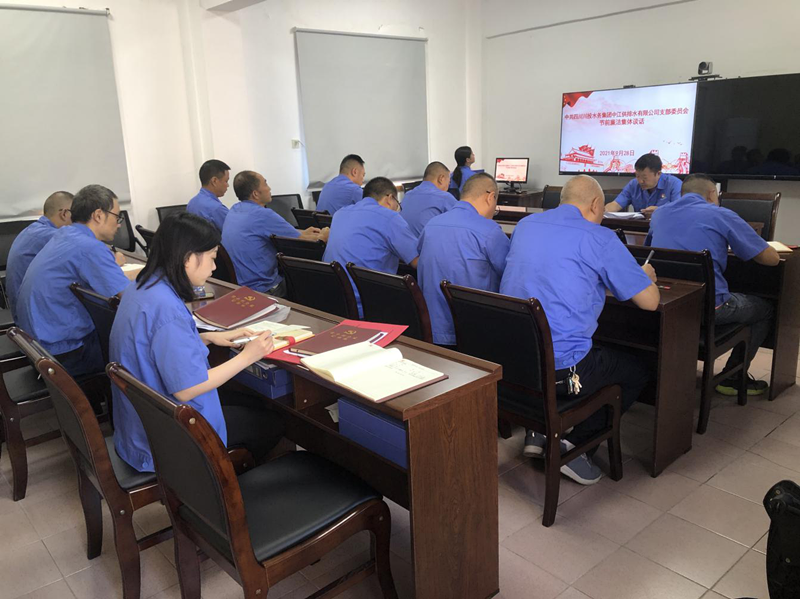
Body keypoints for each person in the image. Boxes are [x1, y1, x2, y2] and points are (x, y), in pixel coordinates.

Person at [500, 175, 659, 485]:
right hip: (562, 372)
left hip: (517, 364)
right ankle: (574, 447)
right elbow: (650, 302)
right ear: (596, 205)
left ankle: (538, 432)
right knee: (637, 371)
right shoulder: (599, 238)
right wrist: (645, 277)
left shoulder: (527, 226)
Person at [110, 212, 286, 472]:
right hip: (172, 438)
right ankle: (227, 485)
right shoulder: (167, 309)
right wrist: (248, 356)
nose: (214, 267)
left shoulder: (142, 287)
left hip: (141, 427)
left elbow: (152, 346)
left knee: (251, 403)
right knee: (274, 422)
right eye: (212, 257)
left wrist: (206, 337)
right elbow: (187, 389)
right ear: (188, 258)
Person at [649, 173, 780, 395]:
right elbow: (771, 259)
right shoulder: (721, 214)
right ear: (712, 194)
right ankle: (732, 378)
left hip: (670, 303)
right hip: (710, 308)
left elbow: (652, 251)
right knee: (765, 309)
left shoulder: (659, 213)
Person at [16, 185, 129, 377]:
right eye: (117, 217)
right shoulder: (90, 247)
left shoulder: (64, 234)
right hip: (64, 353)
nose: (118, 224)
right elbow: (130, 298)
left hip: (36, 346)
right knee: (133, 349)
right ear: (98, 215)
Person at [417, 173, 509, 346]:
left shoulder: (431, 225)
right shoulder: (489, 231)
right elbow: (509, 273)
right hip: (474, 332)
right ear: (490, 197)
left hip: (431, 328)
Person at [322, 176, 419, 317]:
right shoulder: (389, 217)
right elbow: (417, 261)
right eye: (397, 204)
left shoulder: (340, 213)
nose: (397, 209)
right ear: (389, 198)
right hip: (368, 304)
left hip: (334, 300)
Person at [222, 170, 327, 296]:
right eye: (265, 184)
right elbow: (305, 241)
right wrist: (325, 234)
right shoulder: (262, 215)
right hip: (264, 288)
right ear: (255, 194)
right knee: (311, 282)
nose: (269, 188)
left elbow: (287, 232)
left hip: (238, 286)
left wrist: (302, 232)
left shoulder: (234, 210)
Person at [6, 191, 73, 322]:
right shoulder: (50, 235)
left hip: (25, 312)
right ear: (65, 214)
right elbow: (84, 248)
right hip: (35, 319)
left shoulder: (32, 229)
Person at [605, 153, 681, 215]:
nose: (640, 181)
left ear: (658, 174)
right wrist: (604, 210)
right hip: (639, 227)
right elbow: (616, 204)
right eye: (637, 176)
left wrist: (660, 211)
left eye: (645, 177)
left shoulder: (674, 185)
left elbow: (680, 210)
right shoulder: (633, 184)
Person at [400, 161, 457, 236]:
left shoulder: (407, 195)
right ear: (441, 178)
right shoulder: (444, 197)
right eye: (449, 182)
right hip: (428, 242)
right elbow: (463, 220)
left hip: (404, 242)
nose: (448, 187)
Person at [187, 159, 231, 231]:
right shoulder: (217, 209)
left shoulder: (191, 203)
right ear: (214, 181)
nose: (227, 185)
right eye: (226, 181)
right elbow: (234, 232)